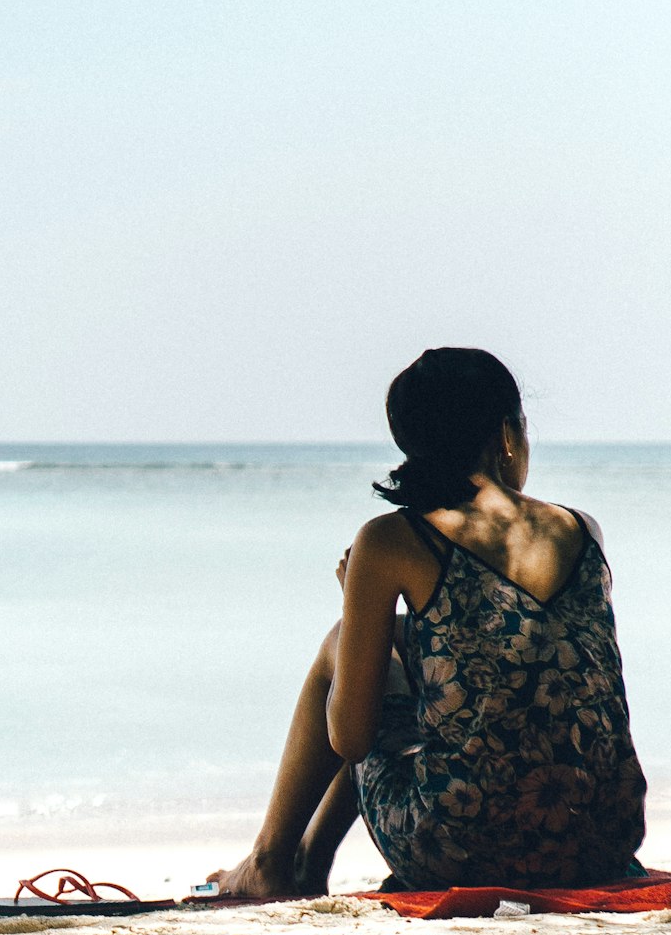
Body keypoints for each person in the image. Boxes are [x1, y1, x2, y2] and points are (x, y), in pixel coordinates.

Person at [213, 347, 647, 896]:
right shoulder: (582, 530)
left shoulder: (391, 538)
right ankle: (301, 863)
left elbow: (350, 738)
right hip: (603, 844)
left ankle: (273, 862)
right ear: (508, 436)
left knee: (343, 643)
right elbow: (507, 658)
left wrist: (359, 608)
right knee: (393, 651)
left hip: (463, 850)